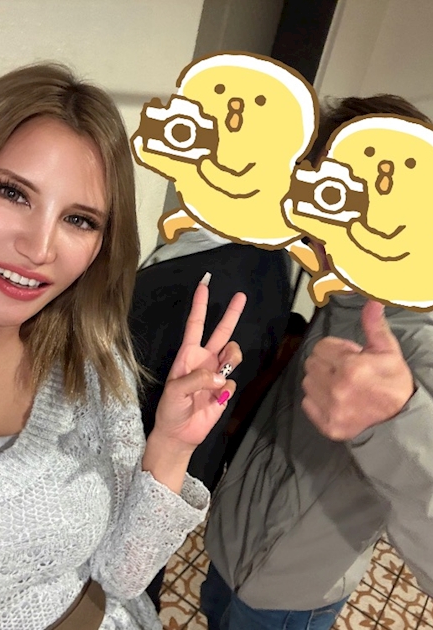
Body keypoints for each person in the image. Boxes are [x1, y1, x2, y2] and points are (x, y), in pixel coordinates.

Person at [0, 63, 246, 630]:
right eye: (12, 192)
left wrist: (170, 445)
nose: (40, 247)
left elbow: (118, 576)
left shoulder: (90, 362)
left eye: (79, 220)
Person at [200, 95, 433, 630]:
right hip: (227, 556)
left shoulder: (421, 344)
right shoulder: (340, 296)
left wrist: (397, 424)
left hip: (288, 603)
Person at [128, 205, 293, 611]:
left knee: (133, 578)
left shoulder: (234, 273)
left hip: (147, 467)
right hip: (167, 457)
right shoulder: (257, 253)